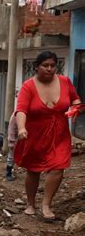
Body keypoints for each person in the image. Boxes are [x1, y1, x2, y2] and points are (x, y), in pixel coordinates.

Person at [14, 51, 81, 220]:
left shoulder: (65, 82)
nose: (49, 69)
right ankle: (30, 203)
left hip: (59, 134)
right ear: (37, 67)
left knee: (58, 168)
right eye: (45, 65)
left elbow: (76, 101)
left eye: (52, 65)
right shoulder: (28, 86)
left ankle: (46, 204)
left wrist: (75, 109)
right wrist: (21, 128)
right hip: (34, 134)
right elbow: (21, 110)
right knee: (33, 170)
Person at [5, 113, 18, 181]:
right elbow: (11, 129)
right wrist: (11, 142)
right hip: (15, 139)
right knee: (11, 157)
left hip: (22, 139)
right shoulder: (15, 116)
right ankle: (8, 173)